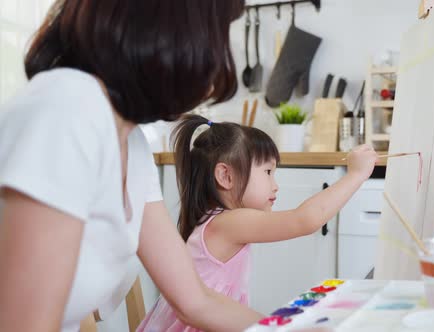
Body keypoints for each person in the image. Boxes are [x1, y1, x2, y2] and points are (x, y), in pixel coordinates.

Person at [0, 1, 263, 331]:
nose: (223, 54)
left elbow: (196, 300)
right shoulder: (66, 109)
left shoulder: (132, 142)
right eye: (219, 31)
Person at [138, 115, 378, 331]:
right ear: (226, 176)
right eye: (267, 172)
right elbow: (305, 220)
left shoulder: (216, 220)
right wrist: (356, 175)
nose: (275, 185)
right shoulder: (228, 222)